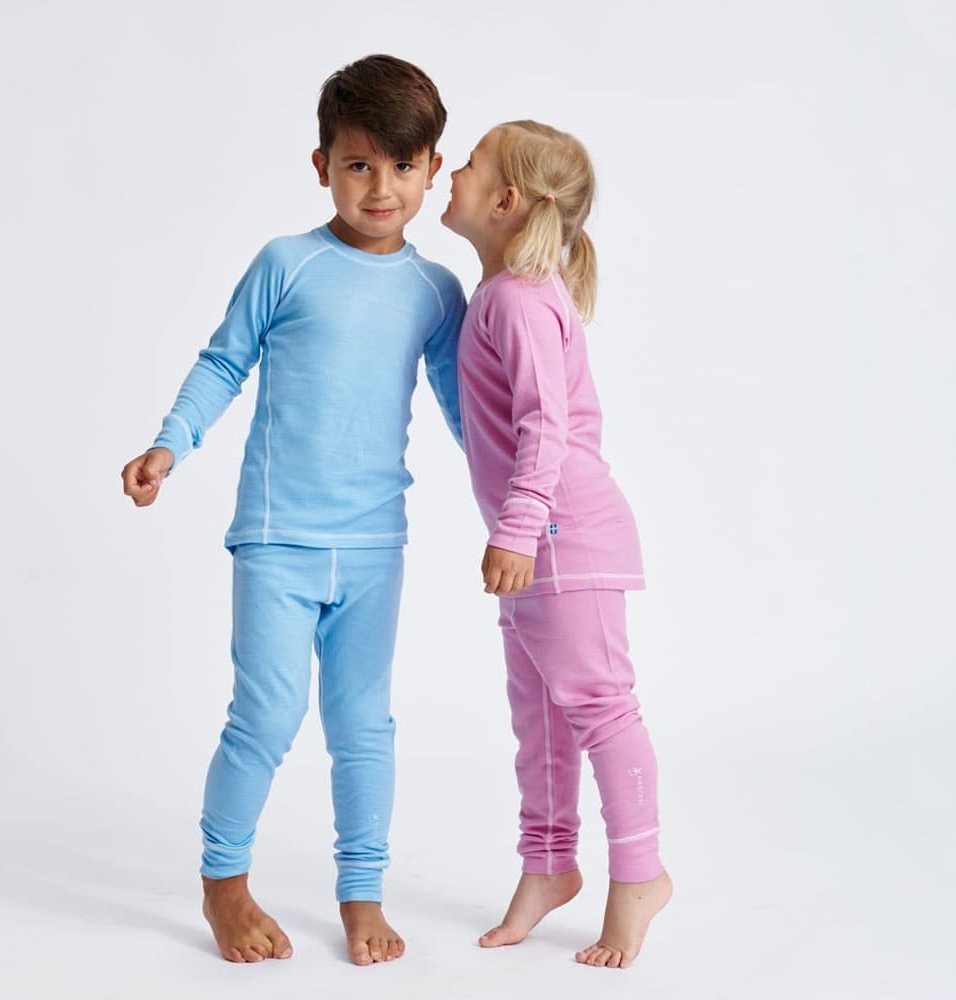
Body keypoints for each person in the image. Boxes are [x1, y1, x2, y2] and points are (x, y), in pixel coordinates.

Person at [120, 54, 464, 966]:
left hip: (375, 546)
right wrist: (169, 445)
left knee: (364, 726)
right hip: (277, 540)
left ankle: (362, 892)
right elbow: (223, 362)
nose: (381, 188)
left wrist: (524, 507)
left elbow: (466, 409)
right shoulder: (288, 264)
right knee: (267, 717)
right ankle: (223, 883)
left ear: (433, 168)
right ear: (322, 167)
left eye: (402, 166)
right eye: (358, 165)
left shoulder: (436, 292)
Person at [441, 120, 672, 968]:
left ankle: (641, 875)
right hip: (538, 542)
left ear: (506, 201)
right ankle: (547, 864)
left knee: (600, 709)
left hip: (563, 538)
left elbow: (548, 425)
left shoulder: (518, 297)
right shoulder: (502, 296)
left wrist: (518, 527)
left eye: (468, 164)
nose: (450, 172)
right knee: (539, 719)